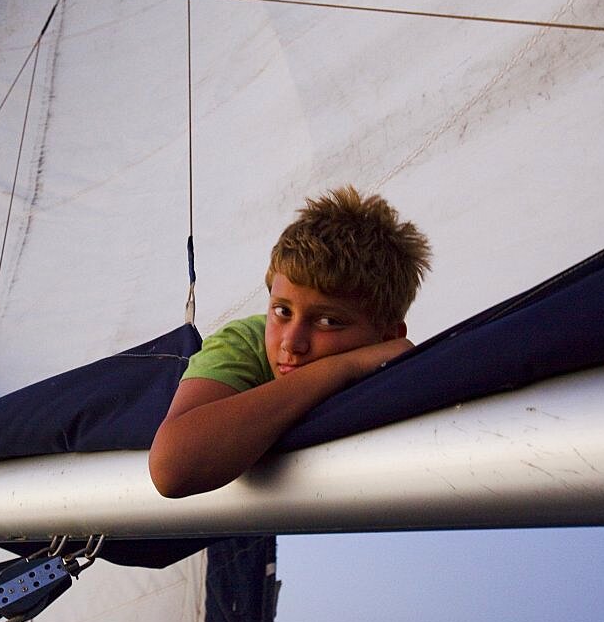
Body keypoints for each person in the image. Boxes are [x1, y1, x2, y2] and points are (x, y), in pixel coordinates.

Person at [149, 185, 431, 497]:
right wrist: (344, 366)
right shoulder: (245, 343)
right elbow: (172, 469)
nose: (292, 342)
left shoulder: (400, 384)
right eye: (282, 311)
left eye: (328, 321)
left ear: (387, 338)